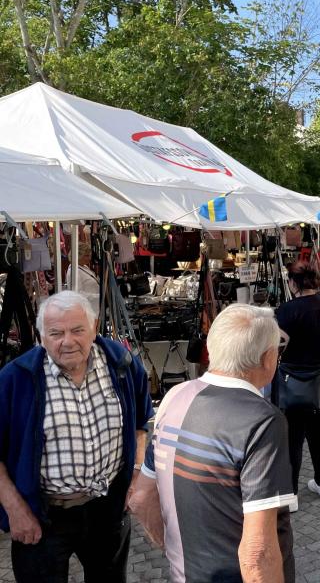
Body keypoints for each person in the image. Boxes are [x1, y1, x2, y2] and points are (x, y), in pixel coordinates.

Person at [129, 304, 295, 582]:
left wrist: (176, 552)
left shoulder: (175, 396)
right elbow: (257, 553)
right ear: (268, 358)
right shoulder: (263, 421)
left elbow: (142, 498)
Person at [0, 291, 153, 583]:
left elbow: (141, 423)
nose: (67, 341)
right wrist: (15, 509)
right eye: (56, 333)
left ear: (94, 328)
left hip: (107, 510)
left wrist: (134, 476)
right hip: (43, 517)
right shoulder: (15, 379)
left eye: (77, 330)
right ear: (40, 336)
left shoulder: (121, 364)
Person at [274, 261, 320, 508]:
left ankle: (291, 496)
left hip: (293, 381)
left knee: (293, 437)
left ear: (293, 282)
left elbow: (279, 345)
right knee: (319, 431)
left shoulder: (287, 310)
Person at [65, 242, 100, 313]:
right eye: (86, 256)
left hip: (94, 308)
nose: (89, 258)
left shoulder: (84, 267)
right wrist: (97, 296)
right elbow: (78, 294)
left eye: (90, 255)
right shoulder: (73, 271)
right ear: (78, 256)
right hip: (85, 310)